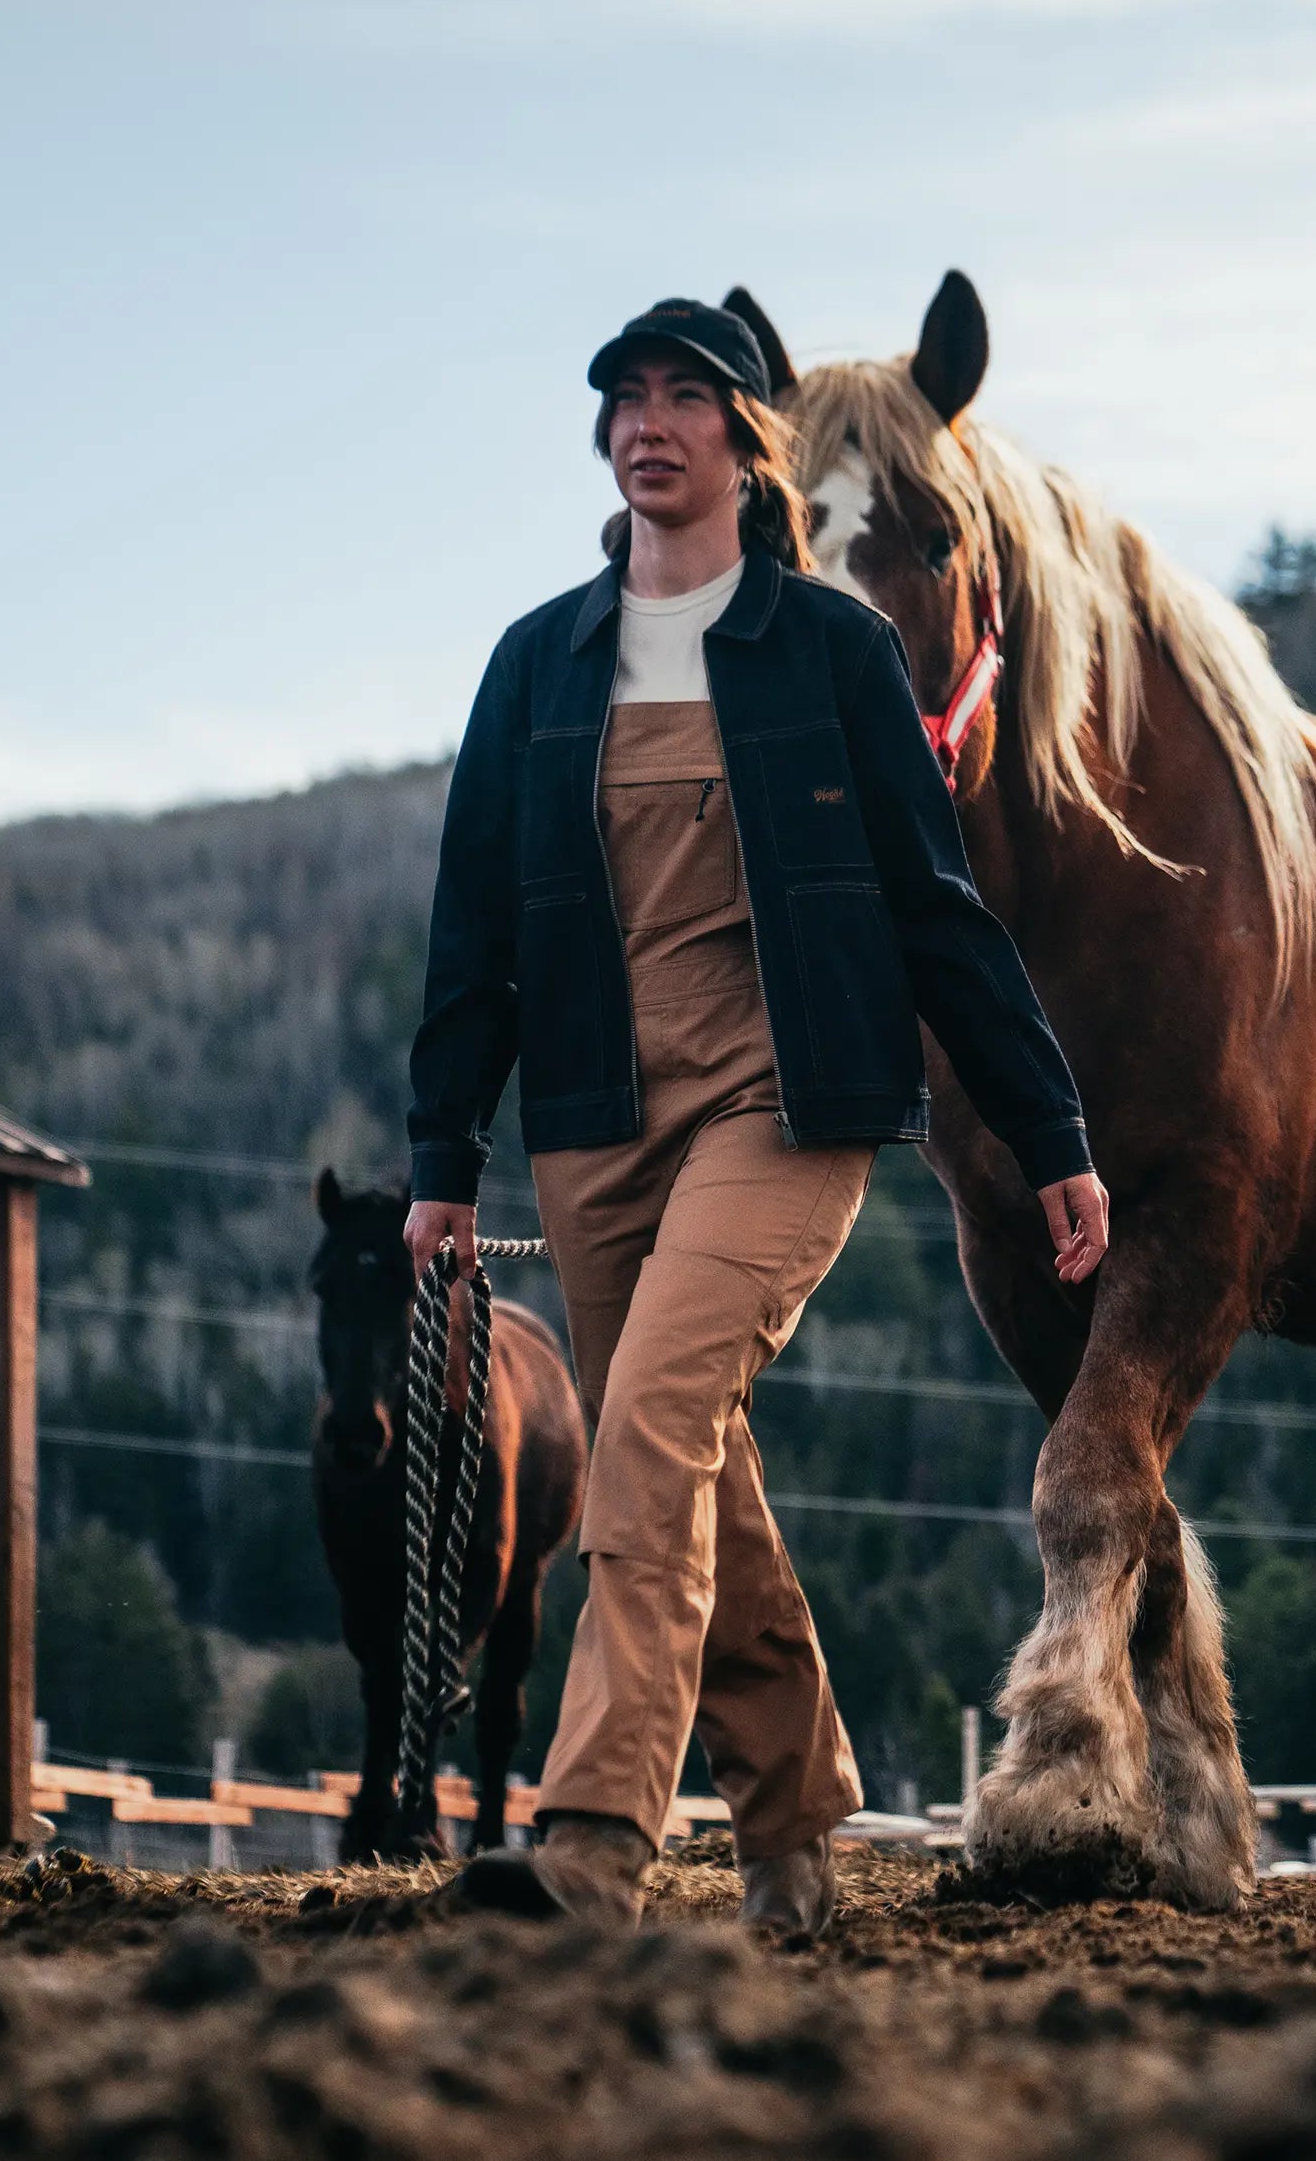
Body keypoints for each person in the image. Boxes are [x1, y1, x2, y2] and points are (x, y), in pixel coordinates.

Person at [405, 295, 1108, 1935]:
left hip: (782, 1111)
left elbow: (937, 913)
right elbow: (474, 935)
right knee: (698, 1472)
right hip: (591, 1127)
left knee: (640, 1435)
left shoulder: (833, 652)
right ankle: (798, 1826)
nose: (649, 423)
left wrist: (1049, 1128)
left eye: (683, 399)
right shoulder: (537, 667)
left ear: (743, 440)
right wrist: (444, 1158)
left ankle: (591, 1841)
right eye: (624, 401)